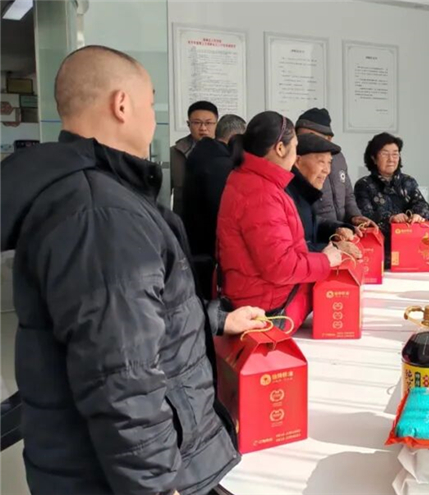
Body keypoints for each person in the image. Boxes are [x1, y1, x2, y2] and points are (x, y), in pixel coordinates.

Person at [0, 45, 266, 495]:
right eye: (151, 101)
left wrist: (216, 319)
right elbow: (122, 377)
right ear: (122, 105)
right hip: (115, 478)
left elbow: (127, 323)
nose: (152, 117)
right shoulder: (100, 213)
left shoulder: (96, 196)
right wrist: (156, 486)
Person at [217, 111, 343, 333]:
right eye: (295, 148)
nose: (295, 157)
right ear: (281, 148)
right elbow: (280, 267)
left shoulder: (253, 180)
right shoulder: (260, 192)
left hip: (260, 299)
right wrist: (325, 260)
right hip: (269, 312)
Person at [182, 114, 246, 297]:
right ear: (235, 137)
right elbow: (222, 211)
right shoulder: (221, 165)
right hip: (209, 250)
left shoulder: (202, 155)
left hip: (195, 245)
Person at [354, 132, 429, 264]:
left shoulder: (408, 181)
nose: (391, 159)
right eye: (385, 154)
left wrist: (418, 215)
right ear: (373, 158)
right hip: (379, 252)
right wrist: (391, 218)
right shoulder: (364, 185)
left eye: (395, 154)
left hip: (410, 249)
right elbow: (364, 215)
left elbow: (423, 205)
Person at [294, 107, 374, 228]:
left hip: (341, 231)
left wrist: (354, 216)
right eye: (300, 137)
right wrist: (334, 228)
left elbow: (348, 195)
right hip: (317, 231)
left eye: (311, 137)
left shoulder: (339, 158)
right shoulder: (294, 162)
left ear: (329, 139)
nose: (304, 142)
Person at [286, 133, 362, 256]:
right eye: (321, 162)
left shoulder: (305, 193)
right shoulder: (285, 195)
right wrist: (335, 248)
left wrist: (336, 229)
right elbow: (291, 250)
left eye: (329, 163)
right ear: (297, 161)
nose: (327, 170)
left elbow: (313, 225)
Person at [171, 100, 218, 214]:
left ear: (217, 124)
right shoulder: (175, 153)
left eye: (208, 123)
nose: (203, 128)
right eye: (197, 123)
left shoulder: (228, 152)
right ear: (188, 124)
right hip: (183, 219)